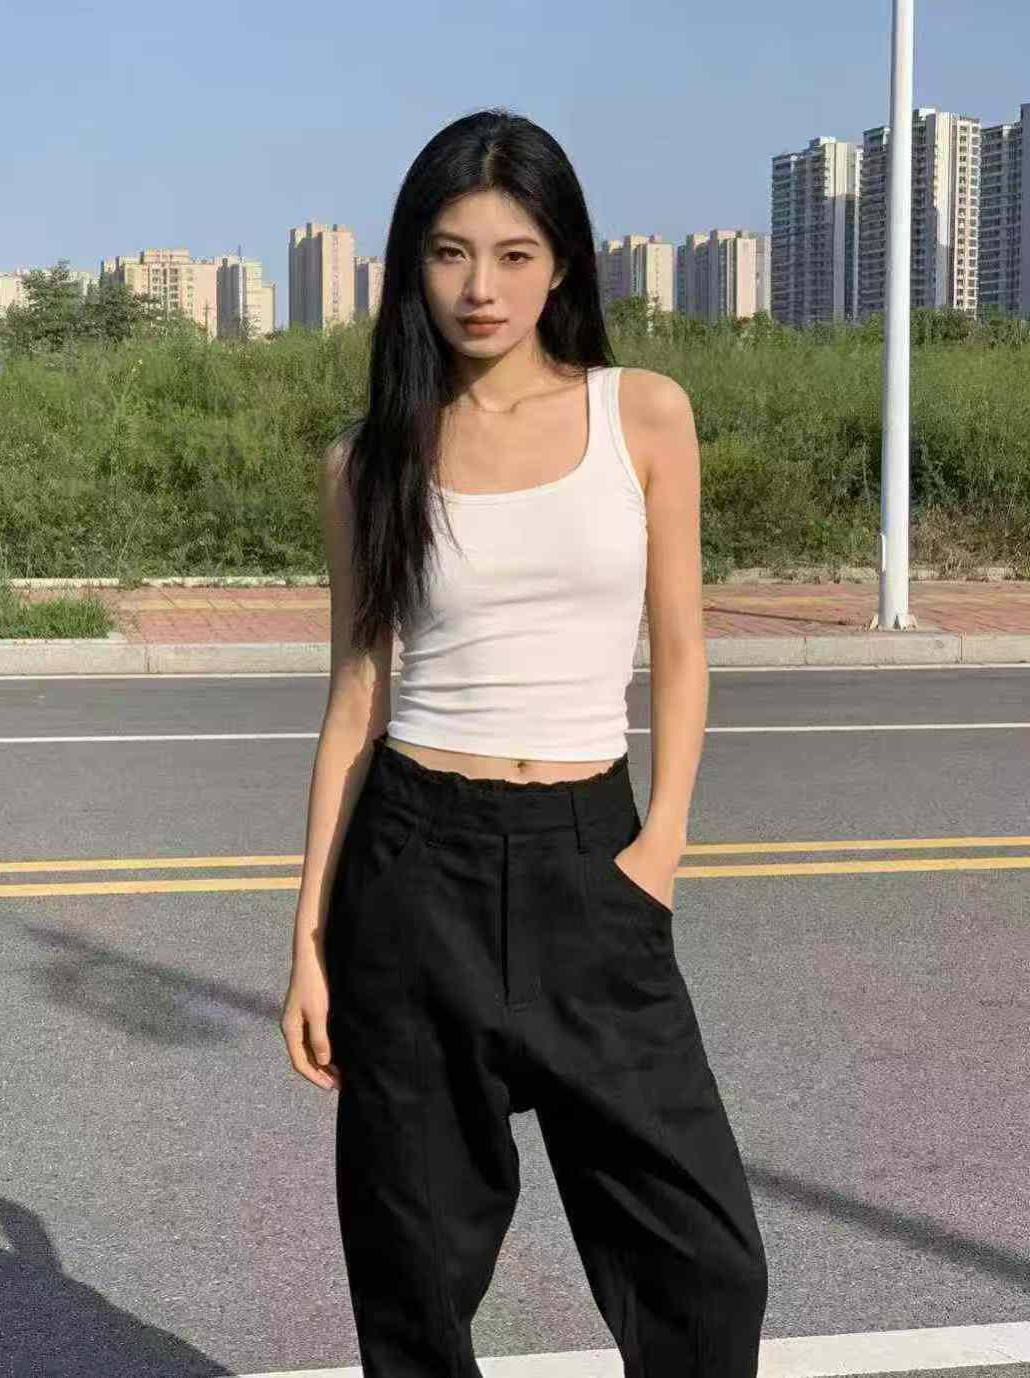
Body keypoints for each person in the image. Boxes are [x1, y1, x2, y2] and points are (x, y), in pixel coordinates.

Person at [280, 107, 768, 1377]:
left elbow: (682, 650)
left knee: (705, 1267)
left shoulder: (642, 414)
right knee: (415, 1275)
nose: (480, 287)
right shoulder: (369, 460)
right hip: (412, 873)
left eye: (512, 253)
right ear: (413, 264)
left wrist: (660, 846)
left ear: (562, 263)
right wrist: (310, 938)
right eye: (450, 253)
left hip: (591, 859)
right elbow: (355, 697)